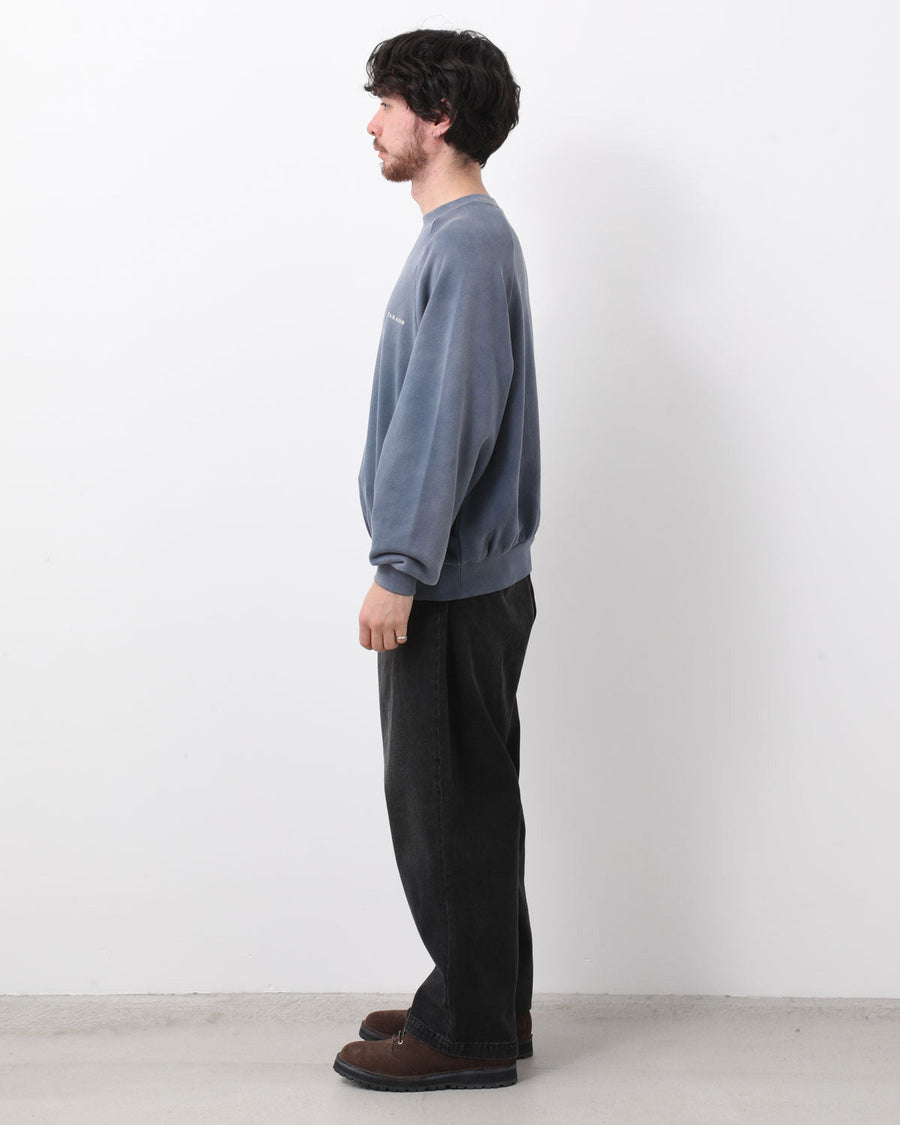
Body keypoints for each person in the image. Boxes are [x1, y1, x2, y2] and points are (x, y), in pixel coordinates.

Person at [333, 28, 541, 1093]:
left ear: (439, 118)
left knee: (444, 805)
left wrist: (400, 566)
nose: (372, 122)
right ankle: (485, 997)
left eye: (387, 103)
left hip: (448, 586)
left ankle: (467, 1031)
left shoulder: (463, 243)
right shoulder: (465, 238)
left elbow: (443, 417)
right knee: (473, 799)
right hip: (472, 582)